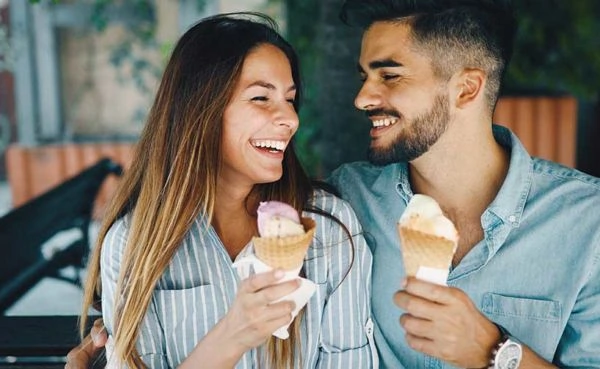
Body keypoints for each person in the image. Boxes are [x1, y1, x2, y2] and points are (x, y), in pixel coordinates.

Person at [75, 12, 374, 369]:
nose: (290, 119)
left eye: (290, 100)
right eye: (261, 98)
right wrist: (233, 334)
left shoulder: (329, 229)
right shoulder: (132, 244)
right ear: (201, 109)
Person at [328, 0, 600, 368]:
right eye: (365, 78)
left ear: (466, 89)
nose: (362, 99)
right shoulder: (347, 201)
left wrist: (496, 352)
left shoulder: (588, 223)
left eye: (389, 76)